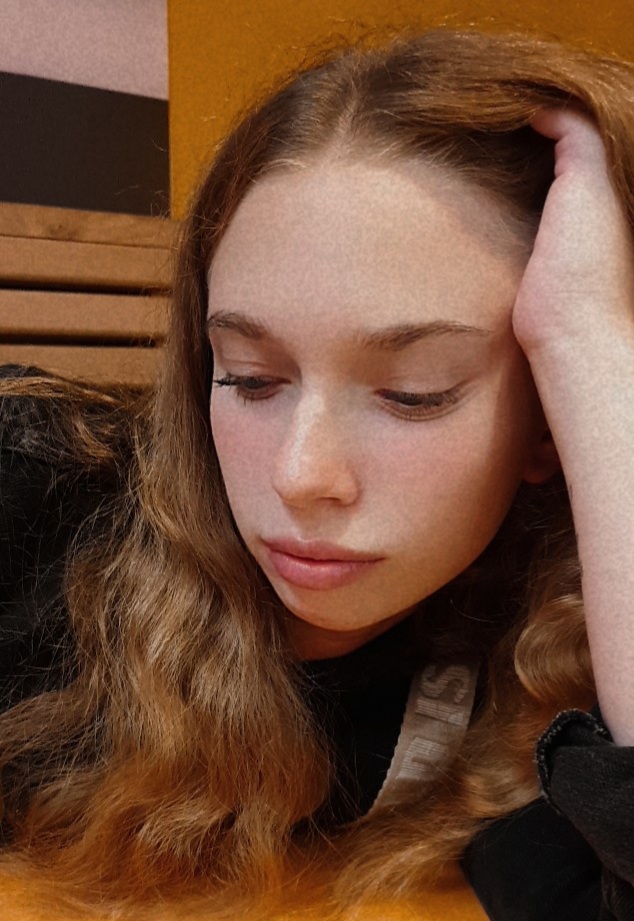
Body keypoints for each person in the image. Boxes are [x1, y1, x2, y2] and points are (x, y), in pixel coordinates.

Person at [1, 26, 634, 921]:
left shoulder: (535, 649)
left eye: (414, 394)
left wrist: (591, 347)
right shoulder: (31, 499)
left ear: (547, 426)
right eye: (249, 377)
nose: (302, 476)